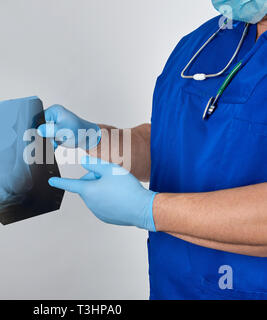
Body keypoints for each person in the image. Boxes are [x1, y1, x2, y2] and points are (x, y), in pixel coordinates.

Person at [37, 0, 267, 299]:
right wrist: (93, 138)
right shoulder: (202, 42)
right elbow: (171, 144)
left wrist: (149, 210)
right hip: (172, 287)